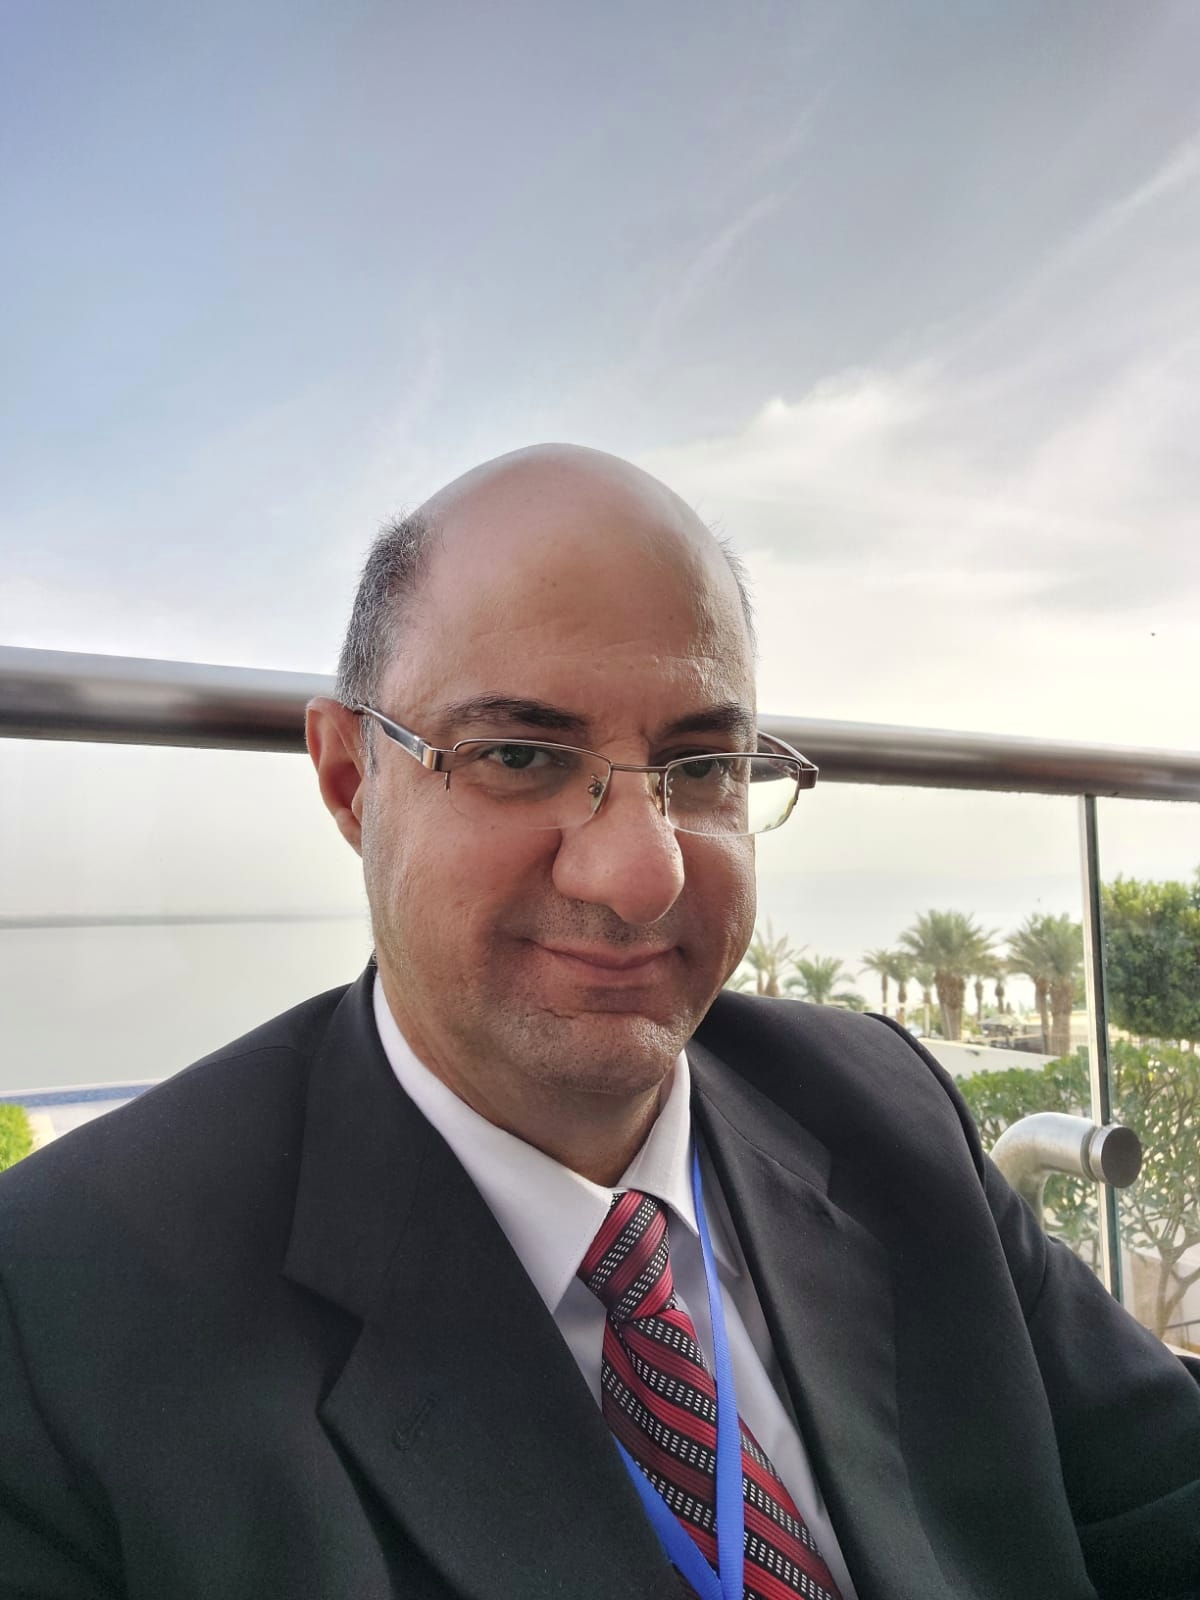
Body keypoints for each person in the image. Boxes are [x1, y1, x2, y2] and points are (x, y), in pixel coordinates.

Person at [1, 444, 1198, 1600]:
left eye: (703, 766)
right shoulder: (67, 1306)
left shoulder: (882, 1105)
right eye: (521, 753)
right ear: (351, 779)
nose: (640, 875)